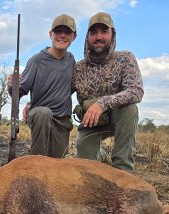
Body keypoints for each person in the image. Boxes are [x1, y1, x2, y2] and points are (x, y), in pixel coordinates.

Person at [72, 12, 143, 172]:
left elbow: (136, 90)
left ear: (112, 34)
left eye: (104, 31)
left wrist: (102, 104)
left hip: (119, 120)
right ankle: (100, 155)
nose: (99, 37)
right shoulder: (78, 67)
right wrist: (33, 102)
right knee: (85, 171)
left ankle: (123, 170)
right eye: (94, 32)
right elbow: (60, 92)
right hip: (90, 123)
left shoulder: (125, 58)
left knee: (130, 108)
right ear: (87, 37)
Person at [8, 14, 77, 158]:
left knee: (57, 165)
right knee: (43, 113)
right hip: (40, 116)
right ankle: (35, 164)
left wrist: (30, 102)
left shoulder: (72, 61)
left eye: (67, 32)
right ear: (51, 34)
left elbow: (66, 90)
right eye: (58, 31)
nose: (62, 36)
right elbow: (20, 91)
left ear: (74, 37)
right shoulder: (36, 60)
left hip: (62, 121)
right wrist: (11, 86)